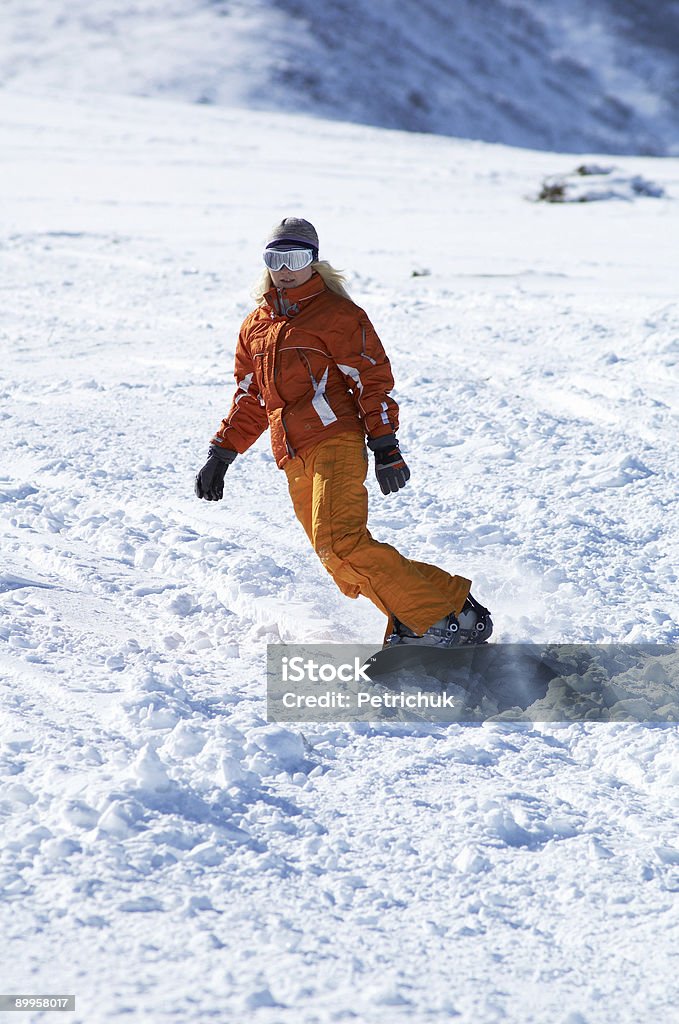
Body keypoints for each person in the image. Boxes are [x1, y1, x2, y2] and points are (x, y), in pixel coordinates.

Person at [195, 217, 492, 646]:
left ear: (314, 261)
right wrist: (221, 454)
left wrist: (386, 445)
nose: (285, 268)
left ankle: (432, 618)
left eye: (295, 257)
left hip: (335, 439)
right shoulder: (255, 325)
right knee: (335, 557)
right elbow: (252, 398)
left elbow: (372, 381)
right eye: (275, 258)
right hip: (293, 453)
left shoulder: (337, 314)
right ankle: (441, 613)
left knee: (342, 542)